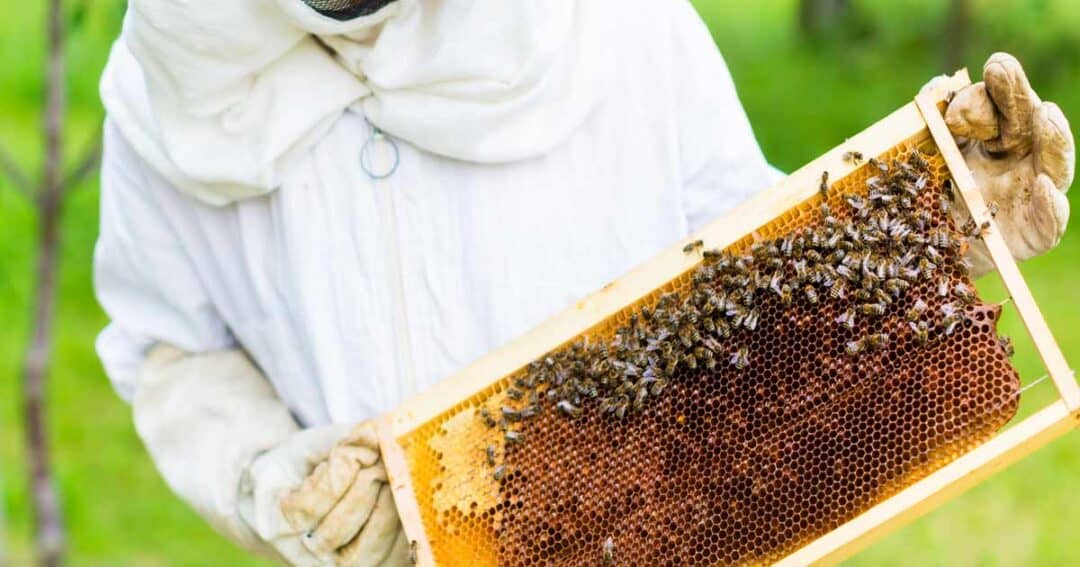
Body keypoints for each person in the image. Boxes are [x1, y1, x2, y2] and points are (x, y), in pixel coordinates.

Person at [93, 1, 1073, 565]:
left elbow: (754, 272)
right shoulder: (163, 77)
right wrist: (271, 470)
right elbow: (167, 347)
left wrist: (927, 216)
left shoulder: (620, 22)